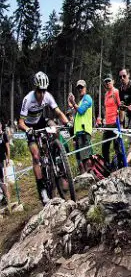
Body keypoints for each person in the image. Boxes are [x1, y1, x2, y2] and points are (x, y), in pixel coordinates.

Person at [18, 72, 71, 203]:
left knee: (53, 125)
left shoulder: (48, 96)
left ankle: (57, 154)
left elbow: (58, 112)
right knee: (36, 157)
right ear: (35, 88)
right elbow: (20, 122)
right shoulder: (28, 99)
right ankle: (42, 190)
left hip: (41, 121)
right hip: (29, 127)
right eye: (39, 91)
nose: (42, 94)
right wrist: (27, 130)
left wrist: (67, 123)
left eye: (44, 91)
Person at [67, 80, 93, 174]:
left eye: (81, 87)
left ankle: (90, 176)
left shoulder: (87, 98)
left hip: (84, 131)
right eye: (78, 88)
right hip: (78, 133)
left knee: (86, 157)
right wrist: (71, 105)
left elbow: (81, 111)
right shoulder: (81, 101)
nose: (80, 89)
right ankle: (83, 178)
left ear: (85, 87)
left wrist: (73, 102)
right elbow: (75, 113)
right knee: (79, 159)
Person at [100, 75, 122, 166]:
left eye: (109, 81)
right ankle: (107, 165)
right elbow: (106, 108)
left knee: (116, 146)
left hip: (115, 123)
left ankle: (120, 164)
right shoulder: (106, 94)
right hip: (107, 124)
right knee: (105, 146)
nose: (107, 83)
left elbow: (120, 106)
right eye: (106, 81)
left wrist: (121, 122)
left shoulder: (116, 91)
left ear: (113, 81)